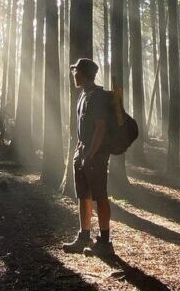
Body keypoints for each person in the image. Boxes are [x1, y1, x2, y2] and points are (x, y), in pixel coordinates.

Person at [62, 57, 114, 256]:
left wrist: (91, 154)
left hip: (96, 155)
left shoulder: (98, 96)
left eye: (76, 71)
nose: (74, 74)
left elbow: (101, 127)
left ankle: (105, 243)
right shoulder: (83, 95)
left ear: (84, 73)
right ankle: (83, 237)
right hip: (82, 152)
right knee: (83, 195)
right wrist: (79, 151)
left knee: (100, 196)